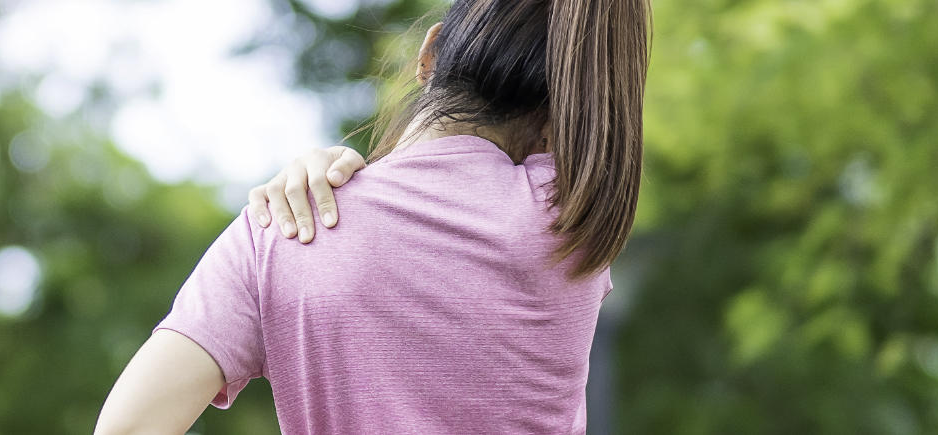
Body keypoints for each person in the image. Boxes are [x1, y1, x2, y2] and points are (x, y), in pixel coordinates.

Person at [94, 0, 650, 433]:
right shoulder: (574, 222)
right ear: (562, 118)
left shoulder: (280, 229)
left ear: (428, 55)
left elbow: (128, 426)